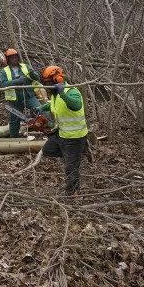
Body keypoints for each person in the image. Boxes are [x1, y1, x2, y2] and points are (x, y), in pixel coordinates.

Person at [38, 65, 88, 198]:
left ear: (58, 79)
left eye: (49, 82)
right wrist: (42, 107)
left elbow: (76, 105)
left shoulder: (71, 91)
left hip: (74, 137)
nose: (48, 86)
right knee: (48, 150)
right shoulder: (55, 94)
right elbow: (55, 104)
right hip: (62, 133)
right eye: (46, 83)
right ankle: (74, 155)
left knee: (71, 168)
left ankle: (72, 193)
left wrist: (62, 93)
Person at [0, 48, 42, 138]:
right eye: (11, 58)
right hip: (15, 99)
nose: (14, 59)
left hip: (29, 95)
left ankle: (49, 132)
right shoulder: (4, 71)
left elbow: (37, 78)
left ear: (18, 57)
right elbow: (4, 84)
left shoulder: (25, 66)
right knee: (14, 120)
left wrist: (32, 73)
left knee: (40, 110)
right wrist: (17, 81)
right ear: (8, 59)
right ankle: (14, 140)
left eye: (15, 57)